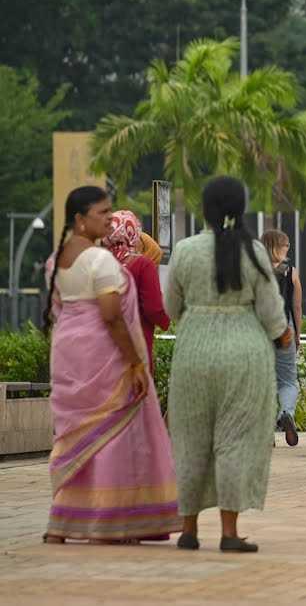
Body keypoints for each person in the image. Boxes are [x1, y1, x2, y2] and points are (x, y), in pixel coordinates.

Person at [43, 186, 181, 545]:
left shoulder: (55, 260)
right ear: (79, 219)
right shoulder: (100, 261)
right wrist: (135, 362)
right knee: (111, 436)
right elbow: (112, 317)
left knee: (73, 435)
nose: (108, 218)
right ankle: (107, 520)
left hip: (68, 351)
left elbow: (59, 305)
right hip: (104, 353)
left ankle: (63, 521)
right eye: (101, 213)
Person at [165, 176, 289, 552]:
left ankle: (188, 530)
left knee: (189, 440)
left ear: (205, 208)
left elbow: (172, 308)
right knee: (235, 440)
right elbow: (271, 312)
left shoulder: (185, 251)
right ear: (241, 208)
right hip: (244, 352)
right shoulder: (253, 252)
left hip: (194, 350)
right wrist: (283, 336)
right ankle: (230, 533)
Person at [103, 210, 170, 371]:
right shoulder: (142, 265)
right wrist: (167, 319)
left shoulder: (98, 263)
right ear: (133, 232)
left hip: (101, 353)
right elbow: (154, 309)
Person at [261, 229, 303, 448]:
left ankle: (266, 433)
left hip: (259, 330)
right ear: (277, 246)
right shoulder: (291, 272)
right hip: (283, 329)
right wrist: (298, 335)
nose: (288, 248)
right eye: (285, 245)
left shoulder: (254, 269)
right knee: (287, 379)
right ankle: (286, 412)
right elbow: (296, 306)